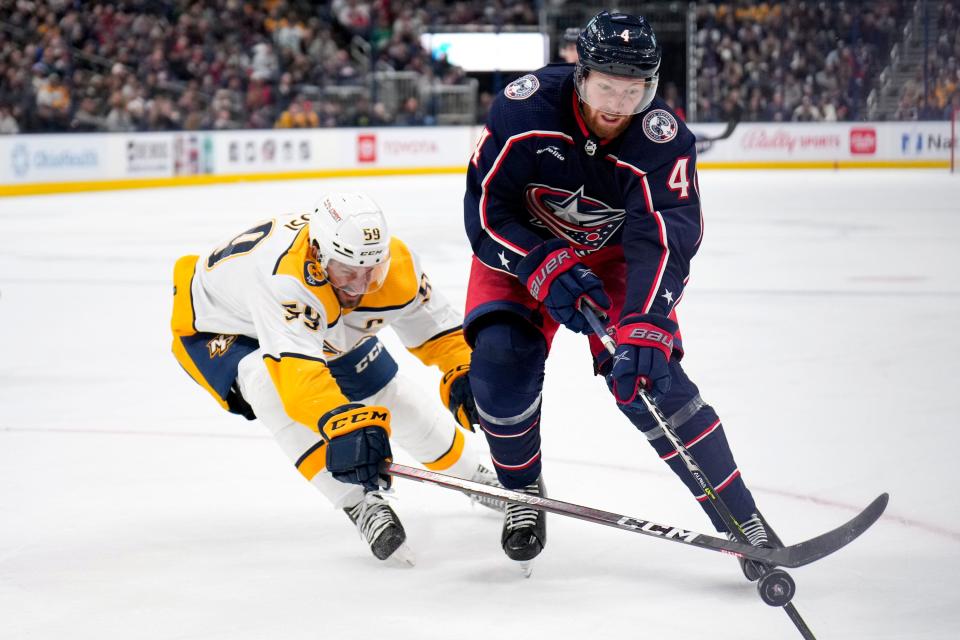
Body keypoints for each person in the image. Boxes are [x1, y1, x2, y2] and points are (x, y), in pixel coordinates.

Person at [462, 10, 776, 577]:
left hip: (612, 265)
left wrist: (647, 321)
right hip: (526, 251)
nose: (616, 104)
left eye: (634, 91)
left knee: (651, 380)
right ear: (580, 75)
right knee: (500, 370)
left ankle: (740, 518)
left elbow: (665, 239)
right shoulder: (524, 108)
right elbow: (485, 214)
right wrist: (542, 265)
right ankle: (523, 494)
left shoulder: (663, 140)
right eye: (606, 86)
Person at [170, 192, 501, 565]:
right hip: (224, 327)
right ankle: (359, 504)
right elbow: (300, 381)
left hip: (313, 309)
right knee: (267, 384)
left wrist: (464, 370)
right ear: (318, 254)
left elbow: (439, 330)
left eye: (371, 273)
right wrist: (344, 425)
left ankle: (475, 474)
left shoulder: (393, 267)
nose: (360, 287)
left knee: (389, 396)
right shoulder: (286, 279)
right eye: (348, 272)